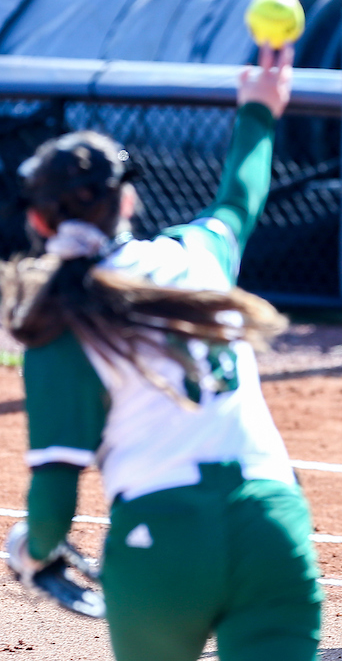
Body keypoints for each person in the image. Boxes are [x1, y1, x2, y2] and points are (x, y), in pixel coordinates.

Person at [1, 44, 323, 661]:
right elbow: (239, 200)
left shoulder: (60, 318)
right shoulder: (195, 258)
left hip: (162, 543)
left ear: (38, 223)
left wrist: (32, 549)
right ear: (126, 201)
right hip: (273, 524)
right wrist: (258, 111)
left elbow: (54, 501)